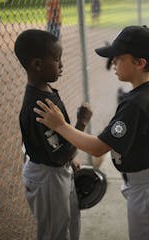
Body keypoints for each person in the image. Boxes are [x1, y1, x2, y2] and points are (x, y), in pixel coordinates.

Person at [33, 25, 149, 240]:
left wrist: (60, 125)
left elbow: (99, 148)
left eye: (118, 58)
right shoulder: (148, 92)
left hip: (147, 187)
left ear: (140, 63)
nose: (113, 63)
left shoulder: (137, 103)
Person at [14, 29, 92, 240]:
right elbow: (59, 155)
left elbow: (57, 142)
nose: (61, 65)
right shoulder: (39, 106)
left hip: (56, 168)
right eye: (57, 59)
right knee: (55, 233)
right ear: (37, 65)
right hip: (48, 176)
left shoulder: (45, 90)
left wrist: (70, 156)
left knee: (69, 223)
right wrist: (81, 123)